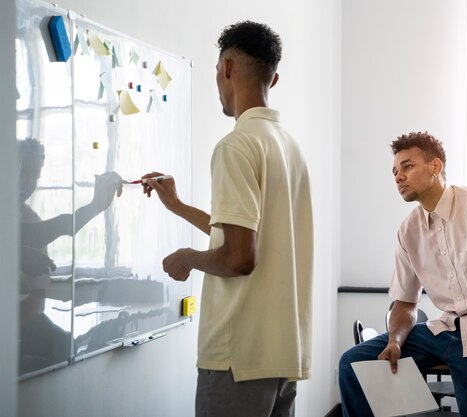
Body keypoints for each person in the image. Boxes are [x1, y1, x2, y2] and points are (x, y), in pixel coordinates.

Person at [141, 21, 313, 417]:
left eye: (217, 71)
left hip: (238, 358)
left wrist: (186, 257)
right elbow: (250, 235)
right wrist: (179, 206)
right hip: (282, 355)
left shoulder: (236, 145)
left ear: (228, 68)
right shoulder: (289, 147)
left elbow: (239, 258)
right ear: (275, 76)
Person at [338, 132, 467, 417]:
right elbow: (405, 304)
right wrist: (394, 341)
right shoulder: (408, 231)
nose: (398, 177)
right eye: (395, 171)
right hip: (447, 329)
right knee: (353, 364)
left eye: (407, 166)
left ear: (435, 167)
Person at [18, 137, 122, 374]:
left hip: (19, 326)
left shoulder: (30, 218)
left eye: (35, 176)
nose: (28, 183)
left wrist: (95, 206)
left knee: (65, 345)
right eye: (24, 173)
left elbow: (37, 300)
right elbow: (34, 236)